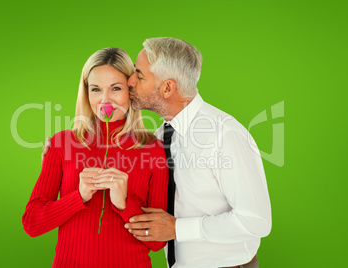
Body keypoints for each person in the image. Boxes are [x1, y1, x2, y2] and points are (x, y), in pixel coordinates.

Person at [43, 37, 272, 268]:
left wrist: (176, 228)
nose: (130, 80)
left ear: (167, 88)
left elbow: (256, 221)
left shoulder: (224, 135)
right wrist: (61, 151)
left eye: (139, 75)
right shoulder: (162, 136)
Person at [23, 47, 169, 268]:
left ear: (131, 91)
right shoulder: (61, 144)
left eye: (116, 88)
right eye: (96, 89)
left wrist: (124, 205)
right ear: (86, 92)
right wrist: (78, 197)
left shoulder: (153, 149)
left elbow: (158, 242)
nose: (105, 100)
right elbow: (32, 223)